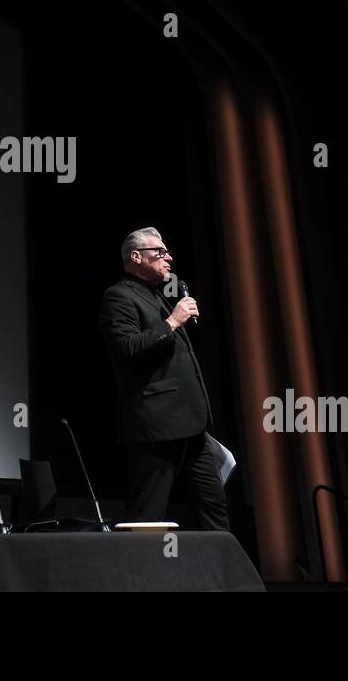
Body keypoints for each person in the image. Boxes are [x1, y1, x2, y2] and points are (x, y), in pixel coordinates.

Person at [97, 226, 230, 530]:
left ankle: (226, 577)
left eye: (167, 251)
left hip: (190, 426)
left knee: (214, 507)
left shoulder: (156, 297)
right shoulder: (118, 297)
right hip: (156, 426)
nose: (168, 258)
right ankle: (136, 575)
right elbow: (128, 348)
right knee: (147, 514)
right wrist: (172, 322)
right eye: (159, 252)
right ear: (136, 257)